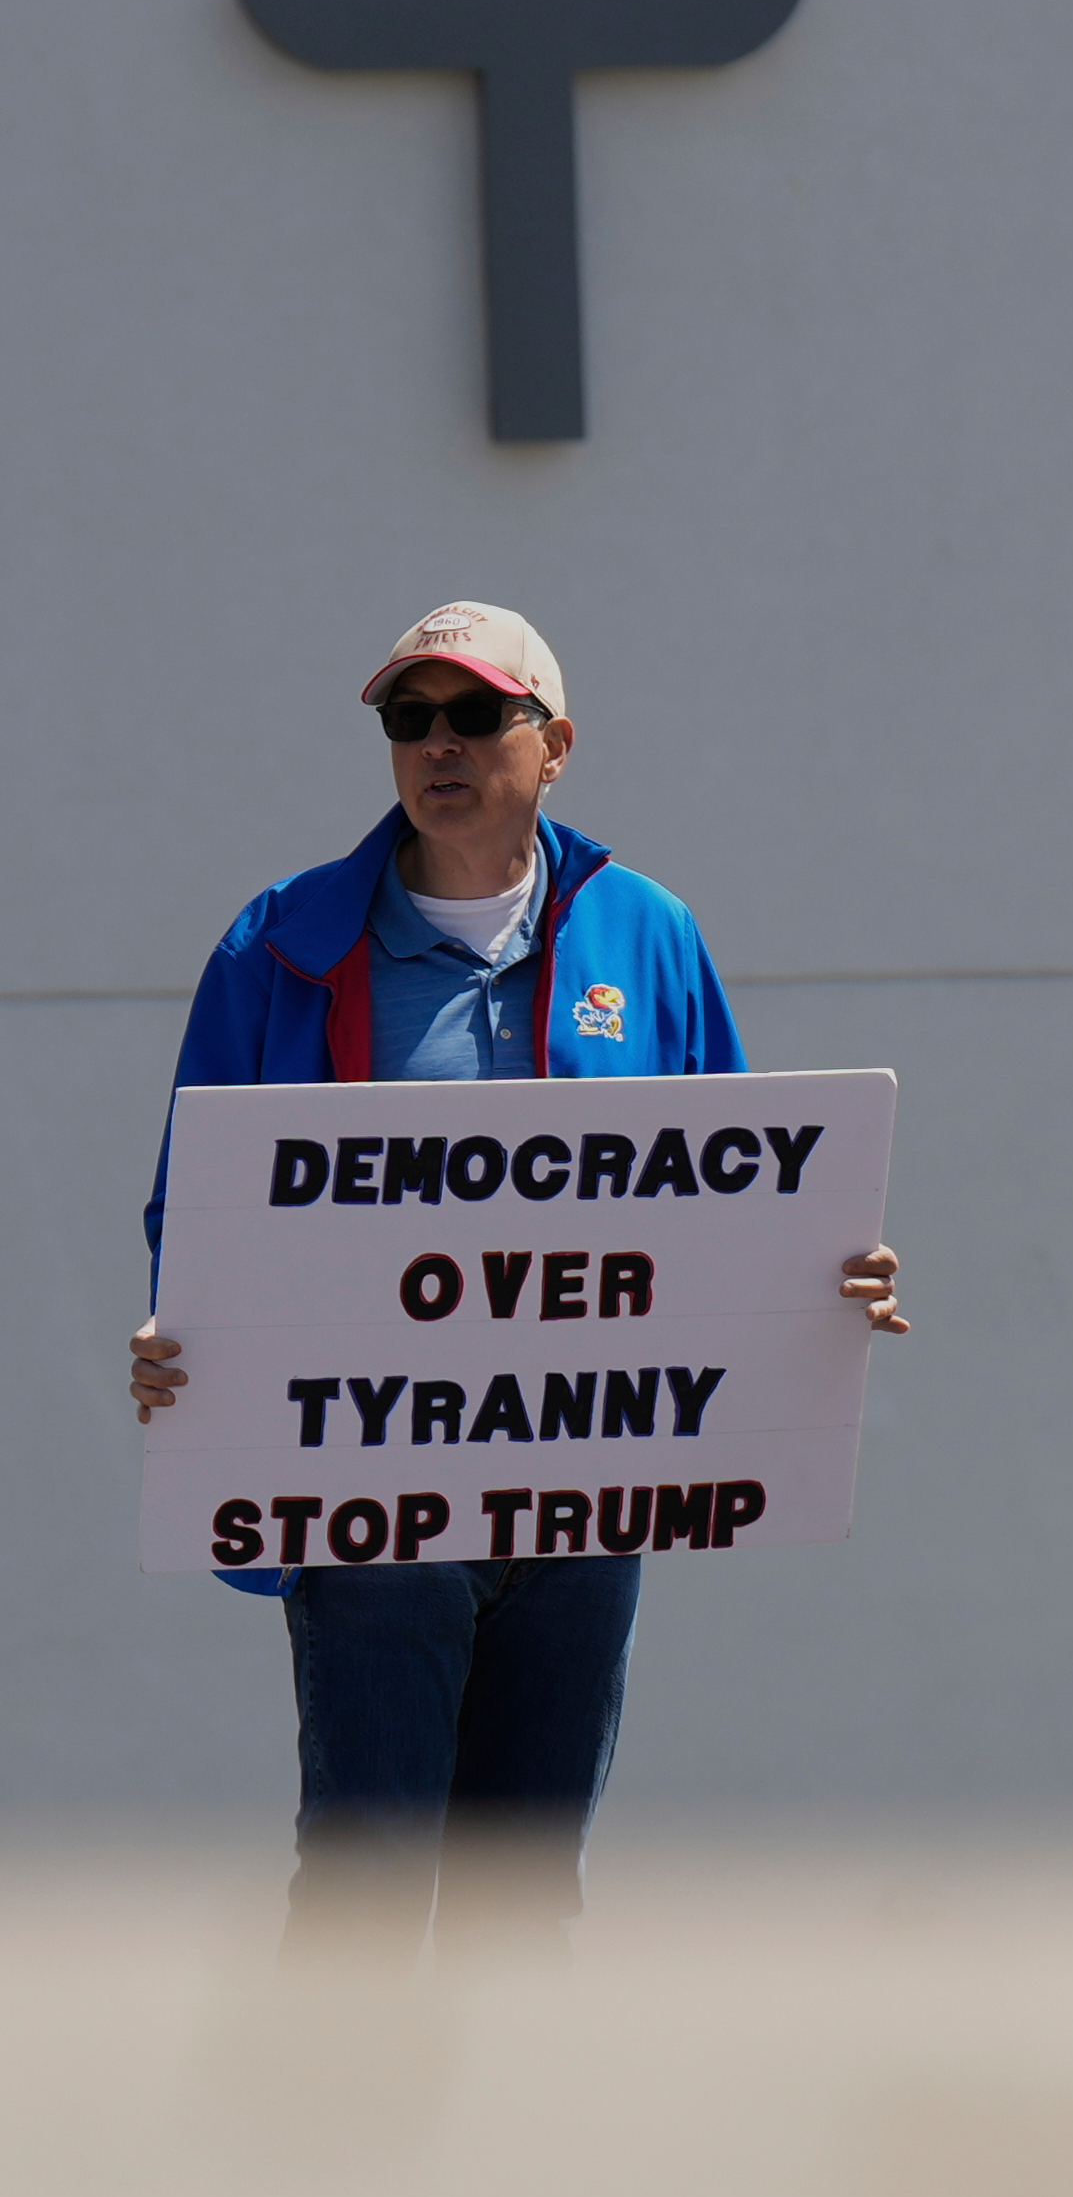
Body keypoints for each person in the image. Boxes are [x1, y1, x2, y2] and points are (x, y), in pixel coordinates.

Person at [125, 600, 908, 1956]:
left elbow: (732, 1190)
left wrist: (824, 1281)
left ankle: (509, 2166)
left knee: (526, 1895)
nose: (439, 744)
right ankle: (338, 2159)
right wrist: (186, 1338)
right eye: (407, 718)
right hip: (368, 1498)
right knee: (366, 1878)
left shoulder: (647, 933)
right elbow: (197, 1204)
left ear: (554, 746)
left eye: (475, 715)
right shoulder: (279, 941)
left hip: (580, 1501)